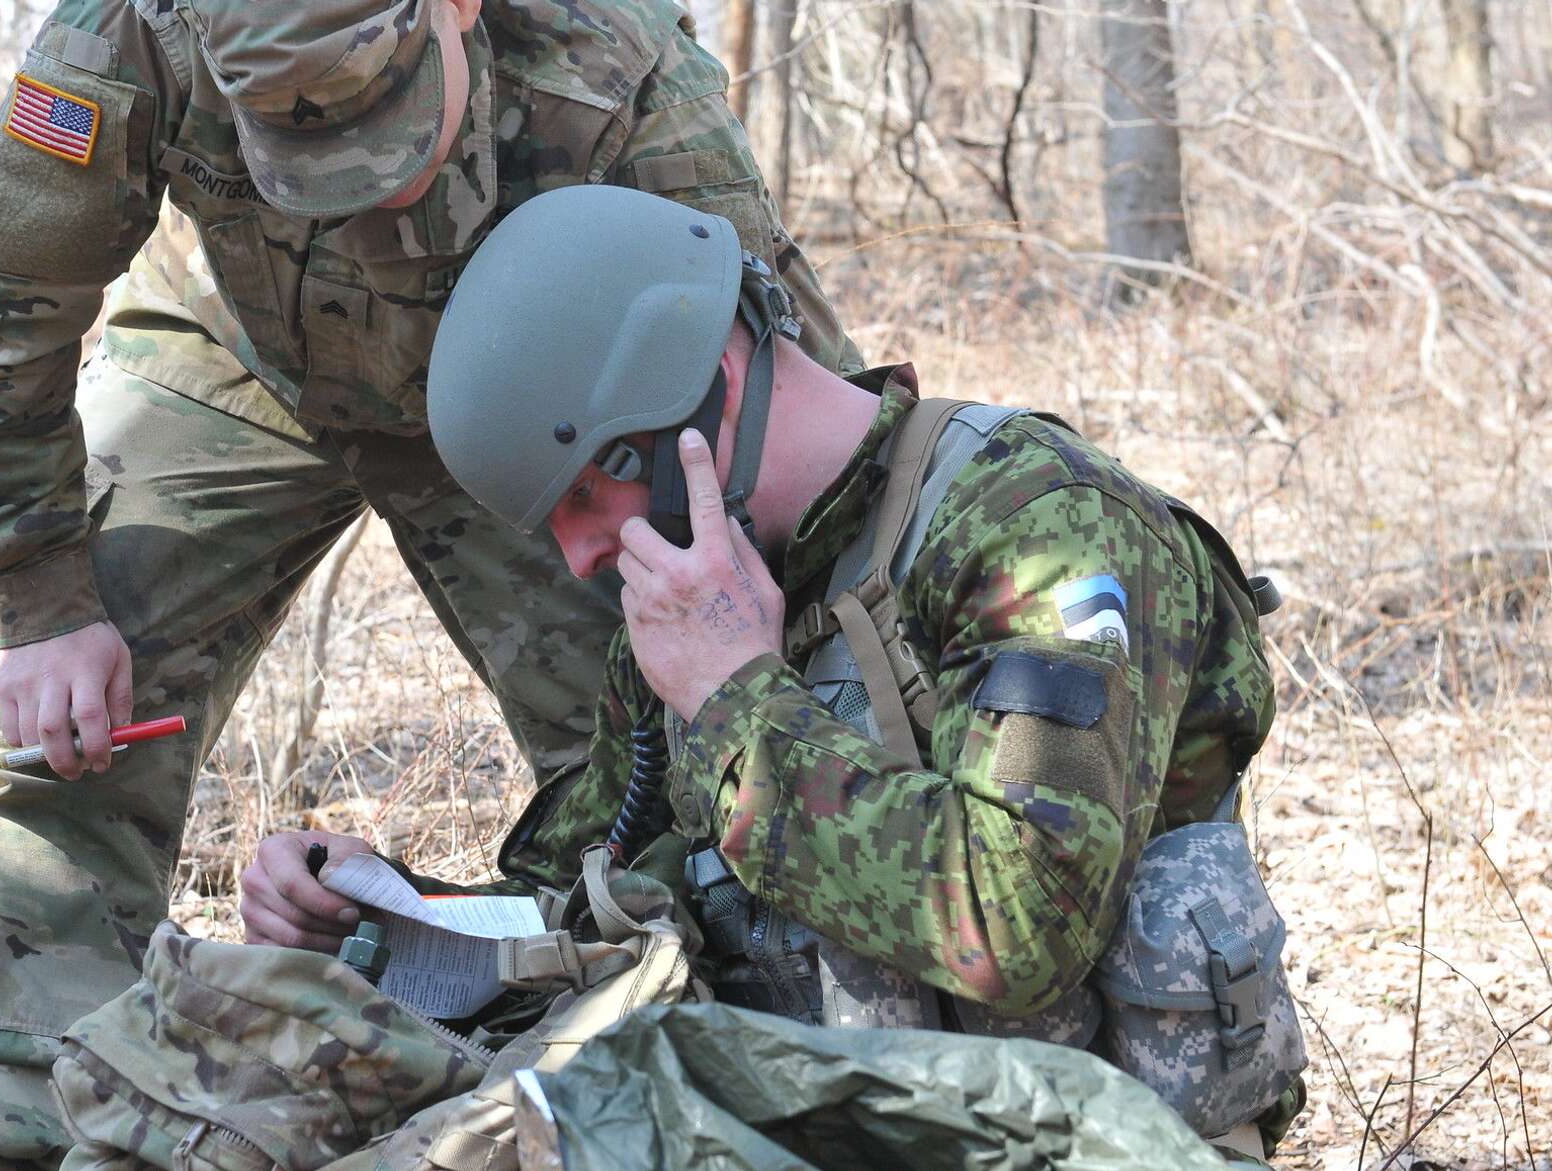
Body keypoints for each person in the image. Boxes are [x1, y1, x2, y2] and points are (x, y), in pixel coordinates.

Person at [0, 0, 860, 1160]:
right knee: (66, 723)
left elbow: (781, 393)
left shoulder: (612, 63)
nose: (353, 198)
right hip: (235, 348)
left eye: (385, 137)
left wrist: (780, 647)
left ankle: (615, 1083)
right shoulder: (139, 28)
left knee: (658, 771)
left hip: (529, 406)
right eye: (298, 157)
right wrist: (40, 588)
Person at [240, 184, 1306, 1160]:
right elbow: (576, 906)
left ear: (694, 403)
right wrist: (375, 913)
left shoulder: (1040, 527)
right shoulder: (705, 599)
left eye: (580, 495)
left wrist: (732, 694)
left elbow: (1017, 919)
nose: (575, 558)